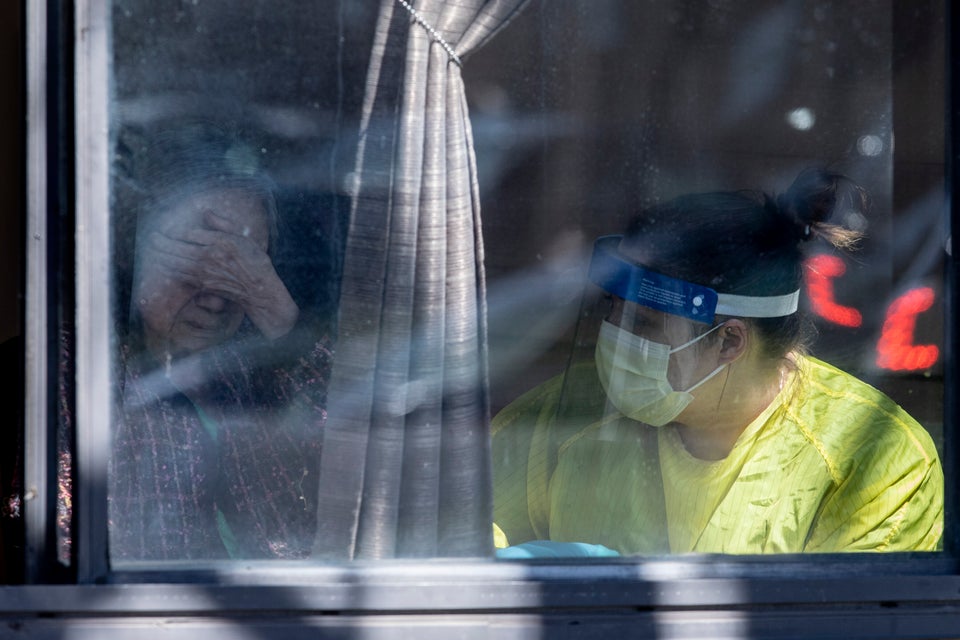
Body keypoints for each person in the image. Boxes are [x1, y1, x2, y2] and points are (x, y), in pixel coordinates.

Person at [492, 168, 943, 556]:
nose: (612, 334)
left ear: (728, 341)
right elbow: (468, 550)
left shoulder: (876, 462)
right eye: (612, 308)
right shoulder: (558, 421)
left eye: (643, 323)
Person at [108, 122, 334, 561]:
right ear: (131, 250)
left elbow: (362, 461)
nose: (216, 298)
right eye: (198, 262)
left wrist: (277, 313)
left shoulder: (257, 365)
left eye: (242, 268)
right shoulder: (65, 367)